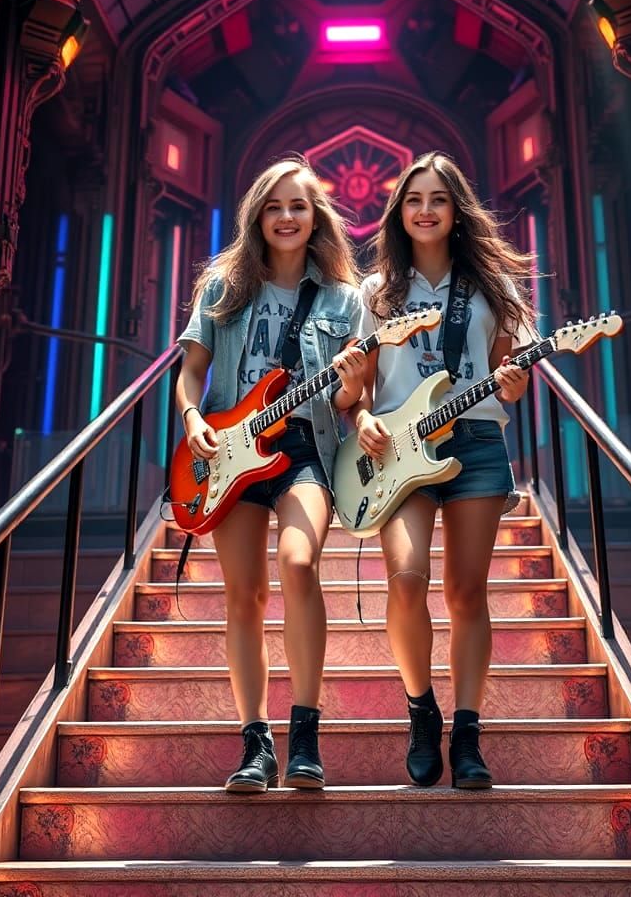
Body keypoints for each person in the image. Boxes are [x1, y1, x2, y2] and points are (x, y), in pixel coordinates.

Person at [175, 156, 366, 793]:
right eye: (275, 206)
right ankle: (256, 743)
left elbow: (348, 400)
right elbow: (191, 372)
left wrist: (353, 390)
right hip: (228, 454)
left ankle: (305, 733)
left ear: (318, 218)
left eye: (299, 207)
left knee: (300, 563)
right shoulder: (224, 286)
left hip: (305, 448)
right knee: (245, 597)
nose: (287, 217)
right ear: (258, 214)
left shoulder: (345, 300)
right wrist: (192, 419)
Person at [352, 151, 536, 789]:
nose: (425, 210)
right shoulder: (375, 293)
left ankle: (467, 732)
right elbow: (360, 385)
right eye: (413, 200)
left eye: (437, 199)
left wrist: (512, 381)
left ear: (457, 210)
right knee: (405, 579)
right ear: (399, 213)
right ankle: (421, 710)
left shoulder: (492, 286)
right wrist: (361, 420)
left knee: (465, 593)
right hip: (398, 452)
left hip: (478, 441)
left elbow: (509, 382)